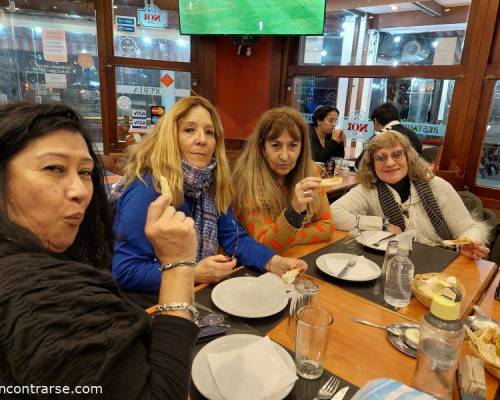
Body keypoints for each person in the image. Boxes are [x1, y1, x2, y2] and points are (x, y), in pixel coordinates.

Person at [0, 102, 200, 399]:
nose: (80, 190)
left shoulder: (208, 184)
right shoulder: (44, 298)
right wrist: (180, 264)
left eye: (85, 172)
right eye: (54, 168)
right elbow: (126, 270)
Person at [113, 96, 306, 293]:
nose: (202, 140)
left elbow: (235, 238)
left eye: (209, 132)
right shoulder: (145, 189)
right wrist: (193, 272)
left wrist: (274, 262)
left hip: (194, 293)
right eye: (189, 130)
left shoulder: (210, 185)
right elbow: (126, 271)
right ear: (170, 137)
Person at [331, 130, 490, 260]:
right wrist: (383, 225)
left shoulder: (436, 185)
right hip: (396, 262)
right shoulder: (367, 190)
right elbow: (334, 214)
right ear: (372, 164)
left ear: (408, 157)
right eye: (380, 157)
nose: (390, 163)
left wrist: (468, 243)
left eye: (397, 154)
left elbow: (469, 228)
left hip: (444, 260)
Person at [232, 107, 334, 252]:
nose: (285, 156)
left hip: (295, 260)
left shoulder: (311, 171)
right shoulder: (247, 181)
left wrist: (289, 235)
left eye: (293, 145)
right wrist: (295, 211)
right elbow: (264, 245)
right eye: (275, 146)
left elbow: (327, 226)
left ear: (302, 148)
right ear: (262, 148)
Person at [355, 102, 423, 169]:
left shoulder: (380, 136)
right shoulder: (414, 135)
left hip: (388, 177)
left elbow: (360, 165)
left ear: (375, 121)